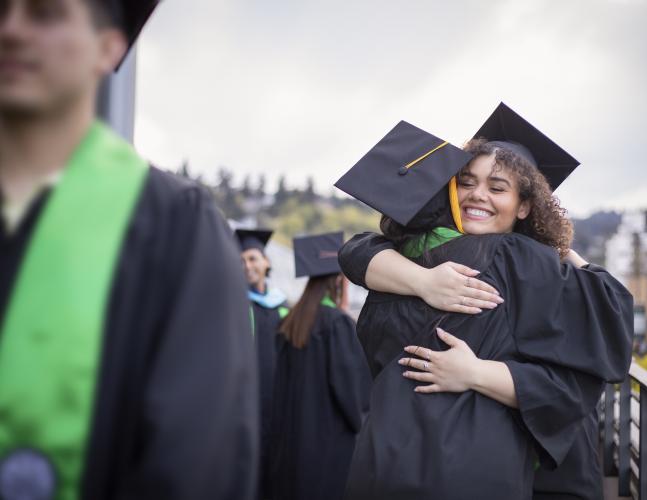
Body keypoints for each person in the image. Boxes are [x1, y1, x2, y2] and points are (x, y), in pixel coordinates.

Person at [0, 1, 258, 499]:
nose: (11, 30)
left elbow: (195, 469)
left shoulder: (176, 227)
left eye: (45, 13)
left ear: (109, 45)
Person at [334, 107, 633, 500]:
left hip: (389, 460)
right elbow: (612, 310)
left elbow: (356, 250)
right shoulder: (505, 260)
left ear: (525, 206)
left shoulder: (411, 255)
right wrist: (425, 282)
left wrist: (475, 372)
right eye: (466, 182)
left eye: (497, 187)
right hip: (462, 465)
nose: (478, 194)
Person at [268, 232, 371, 500]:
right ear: (340, 281)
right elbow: (352, 394)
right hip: (326, 444)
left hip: (287, 442)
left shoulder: (288, 323)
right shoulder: (336, 324)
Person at [234, 227, 288, 500]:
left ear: (266, 261)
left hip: (279, 407)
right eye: (241, 261)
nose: (248, 266)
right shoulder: (234, 308)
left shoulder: (285, 308)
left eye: (253, 258)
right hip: (245, 408)